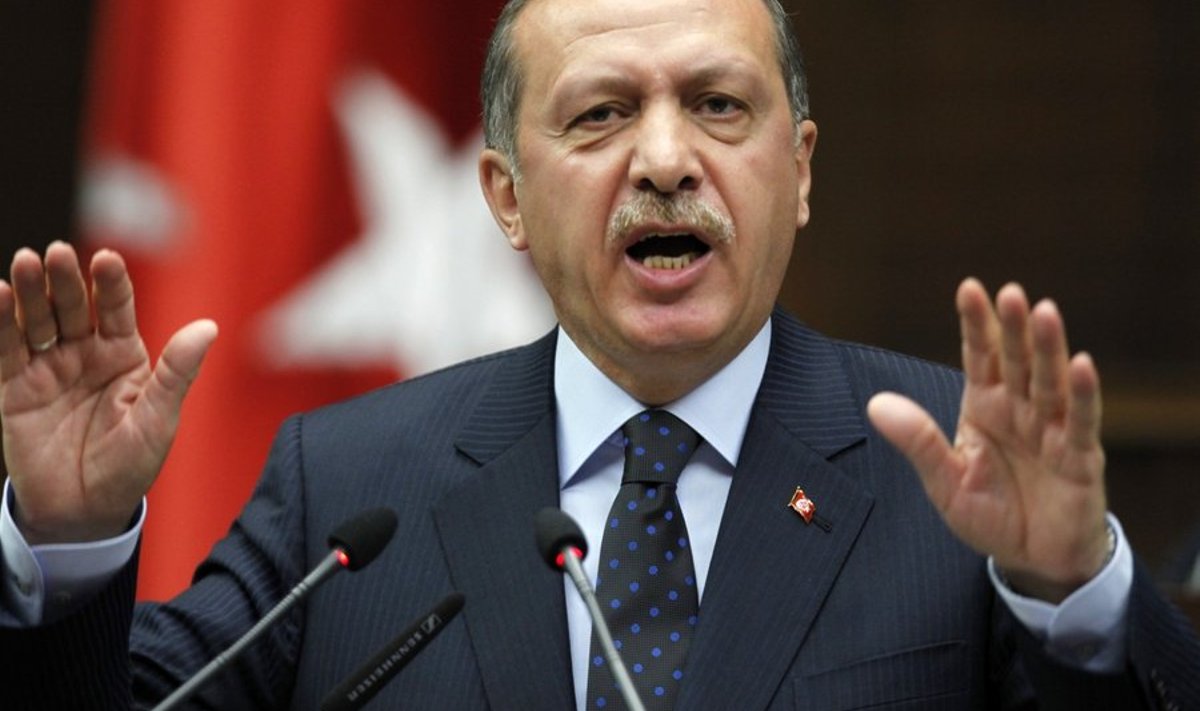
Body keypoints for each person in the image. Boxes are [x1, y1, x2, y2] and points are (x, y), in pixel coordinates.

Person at [1, 0, 1197, 708]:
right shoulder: (353, 488)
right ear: (506, 199)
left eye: (721, 106)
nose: (667, 159)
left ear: (805, 170)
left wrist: (1070, 596)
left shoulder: (952, 478)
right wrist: (66, 544)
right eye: (600, 114)